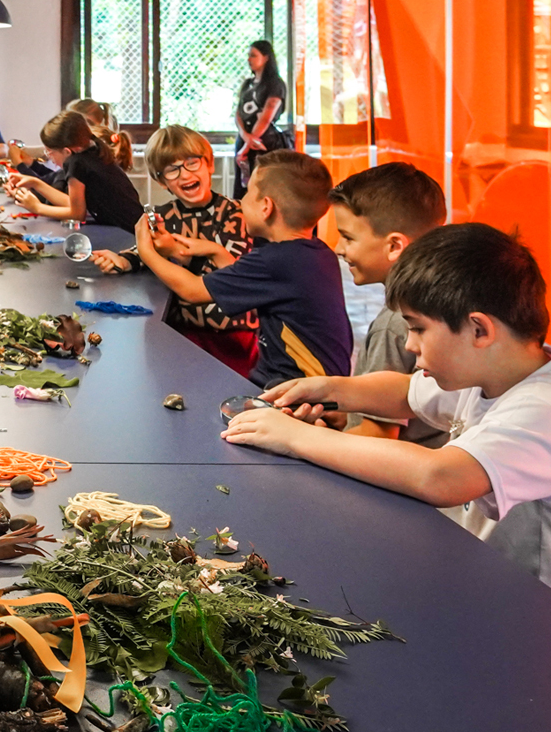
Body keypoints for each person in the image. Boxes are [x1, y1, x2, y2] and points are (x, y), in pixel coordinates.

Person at [225, 224, 551, 585]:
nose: (410, 345)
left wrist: (296, 437)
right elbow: (405, 392)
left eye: (418, 328)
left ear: (479, 330)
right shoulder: (491, 373)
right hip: (487, 572)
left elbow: (441, 476)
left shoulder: (541, 408)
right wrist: (327, 387)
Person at [134, 150, 350, 388]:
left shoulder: (273, 261)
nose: (241, 201)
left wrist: (147, 251)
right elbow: (249, 281)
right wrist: (215, 251)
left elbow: (193, 290)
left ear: (266, 207)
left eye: (247, 194)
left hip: (292, 390)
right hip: (319, 385)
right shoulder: (315, 253)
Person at [93, 125, 259, 378]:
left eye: (192, 163)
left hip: (233, 335)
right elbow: (145, 250)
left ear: (209, 165)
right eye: (172, 169)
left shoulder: (236, 214)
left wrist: (178, 254)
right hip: (185, 331)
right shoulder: (164, 215)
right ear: (161, 181)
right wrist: (124, 260)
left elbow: (229, 275)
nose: (184, 174)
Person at [329, 163, 448, 444]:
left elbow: (376, 437)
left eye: (347, 237)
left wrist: (298, 437)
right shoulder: (438, 303)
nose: (338, 248)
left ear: (394, 246)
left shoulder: (395, 325)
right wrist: (347, 415)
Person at [7, 111, 143, 230]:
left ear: (66, 151)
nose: (50, 158)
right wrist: (36, 183)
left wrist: (37, 207)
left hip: (127, 232)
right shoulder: (93, 150)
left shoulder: (77, 163)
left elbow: (77, 214)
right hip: (132, 225)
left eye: (50, 152)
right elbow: (73, 202)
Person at [234, 40, 289, 200]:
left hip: (264, 142)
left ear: (266, 57)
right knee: (243, 187)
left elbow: (267, 115)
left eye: (253, 55)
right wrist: (245, 137)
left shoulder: (275, 84)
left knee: (264, 189)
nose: (249, 59)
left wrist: (249, 144)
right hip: (245, 141)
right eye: (248, 55)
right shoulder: (247, 84)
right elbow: (238, 114)